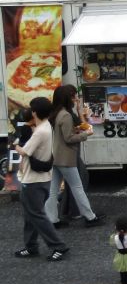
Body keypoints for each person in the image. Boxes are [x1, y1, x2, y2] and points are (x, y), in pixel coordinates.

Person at [13, 97, 69, 261]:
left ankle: (58, 246)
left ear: (35, 112)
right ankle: (31, 246)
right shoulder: (46, 126)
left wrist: (14, 144)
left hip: (33, 181)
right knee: (30, 214)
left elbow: (24, 151)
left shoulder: (39, 132)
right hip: (43, 178)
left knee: (36, 215)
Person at [45, 84, 101, 227]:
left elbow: (63, 135)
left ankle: (52, 220)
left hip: (56, 156)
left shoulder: (56, 113)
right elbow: (69, 138)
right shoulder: (66, 115)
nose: (75, 98)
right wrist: (85, 134)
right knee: (77, 188)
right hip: (66, 158)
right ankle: (90, 217)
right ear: (67, 98)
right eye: (73, 96)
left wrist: (75, 130)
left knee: (53, 190)